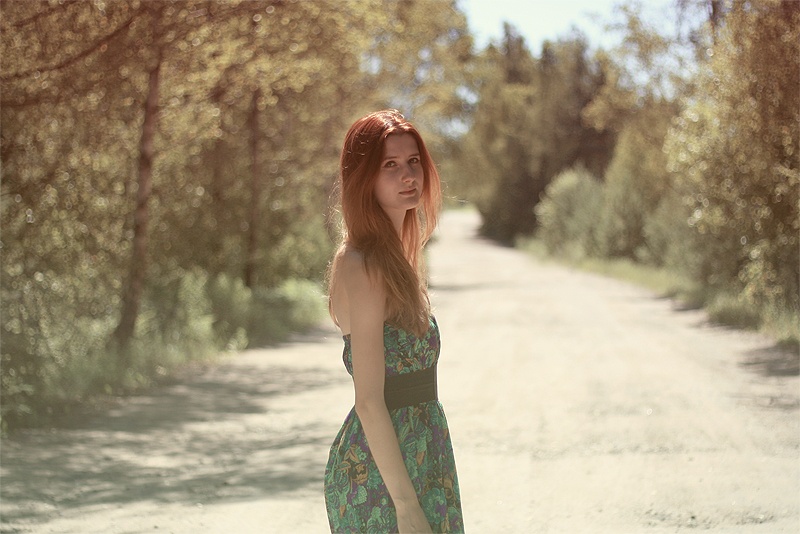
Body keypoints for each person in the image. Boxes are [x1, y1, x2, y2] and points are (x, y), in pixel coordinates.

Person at [323, 110, 464, 533]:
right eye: (390, 164)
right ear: (364, 178)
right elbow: (368, 400)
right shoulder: (362, 263)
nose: (408, 175)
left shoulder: (397, 259)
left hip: (425, 456)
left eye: (413, 161)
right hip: (383, 479)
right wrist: (406, 506)